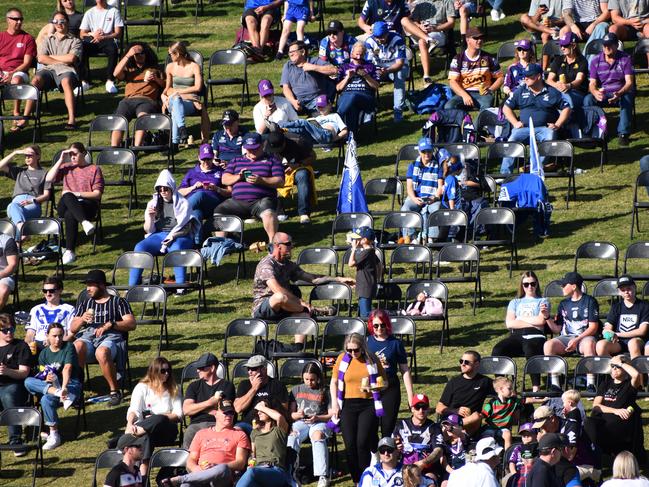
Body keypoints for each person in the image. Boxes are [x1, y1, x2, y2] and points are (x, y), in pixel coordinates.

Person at [251, 231, 355, 321]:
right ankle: (315, 310)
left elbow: (313, 278)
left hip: (286, 307)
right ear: (277, 246)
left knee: (304, 316)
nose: (292, 246)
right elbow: (277, 290)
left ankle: (299, 344)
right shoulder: (266, 265)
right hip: (264, 307)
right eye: (288, 244)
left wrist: (339, 279)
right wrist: (301, 302)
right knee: (279, 296)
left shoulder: (288, 265)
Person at [70, 269, 136, 407]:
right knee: (77, 346)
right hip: (89, 336)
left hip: (111, 337)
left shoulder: (118, 302)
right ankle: (77, 390)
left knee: (102, 352)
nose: (87, 289)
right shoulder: (85, 303)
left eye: (91, 285)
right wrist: (82, 319)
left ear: (101, 285)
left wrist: (112, 324)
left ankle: (114, 391)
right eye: (86, 285)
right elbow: (73, 328)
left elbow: (131, 324)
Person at [330, 333, 388, 484]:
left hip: (367, 404)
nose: (353, 353)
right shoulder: (342, 359)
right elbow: (334, 382)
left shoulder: (372, 359)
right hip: (347, 404)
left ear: (362, 347)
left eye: (355, 350)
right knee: (350, 445)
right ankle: (357, 480)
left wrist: (373, 387)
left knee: (362, 442)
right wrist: (335, 403)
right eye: (349, 350)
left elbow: (385, 383)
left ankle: (364, 479)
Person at [129, 169, 199, 287]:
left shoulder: (183, 203)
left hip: (180, 235)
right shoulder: (153, 203)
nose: (163, 192)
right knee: (139, 247)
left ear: (171, 188)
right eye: (159, 189)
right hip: (159, 234)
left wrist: (171, 236)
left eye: (166, 189)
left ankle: (180, 287)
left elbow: (185, 227)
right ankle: (131, 287)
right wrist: (151, 218)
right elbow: (148, 230)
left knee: (176, 248)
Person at [500, 64, 571, 174]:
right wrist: (515, 122)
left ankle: (537, 168)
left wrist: (557, 124)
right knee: (513, 138)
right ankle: (504, 174)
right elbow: (506, 107)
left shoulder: (552, 92)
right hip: (524, 128)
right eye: (524, 76)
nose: (525, 78)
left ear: (538, 76)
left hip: (544, 128)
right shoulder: (520, 91)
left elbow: (566, 108)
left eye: (528, 76)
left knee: (550, 135)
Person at [214, 132, 284, 243]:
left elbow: (280, 181)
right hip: (237, 201)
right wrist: (238, 177)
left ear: (262, 145)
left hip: (261, 200)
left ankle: (272, 242)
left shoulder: (272, 160)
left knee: (268, 212)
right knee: (220, 210)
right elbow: (224, 179)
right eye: (249, 149)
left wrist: (261, 180)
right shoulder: (236, 161)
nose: (251, 152)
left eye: (255, 148)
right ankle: (220, 243)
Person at [162, 398, 250, 487]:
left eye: (231, 413)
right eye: (225, 412)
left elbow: (240, 463)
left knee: (223, 468)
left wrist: (216, 466)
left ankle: (180, 479)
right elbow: (191, 459)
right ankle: (183, 480)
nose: (229, 415)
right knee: (186, 486)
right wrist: (196, 469)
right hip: (201, 474)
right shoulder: (201, 434)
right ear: (215, 413)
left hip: (222, 477)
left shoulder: (240, 435)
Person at [24, 322, 82, 450]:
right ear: (47, 336)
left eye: (60, 335)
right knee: (28, 381)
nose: (58, 339)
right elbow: (44, 373)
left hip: (71, 385)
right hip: (54, 388)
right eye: (54, 336)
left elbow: (67, 368)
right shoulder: (44, 354)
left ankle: (54, 435)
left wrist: (65, 387)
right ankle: (58, 393)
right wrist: (46, 378)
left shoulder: (68, 347)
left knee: (45, 399)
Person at [45, 142, 104, 265]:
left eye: (75, 154)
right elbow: (49, 179)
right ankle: (84, 223)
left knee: (70, 213)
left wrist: (76, 194)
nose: (73, 157)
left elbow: (97, 194)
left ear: (83, 153)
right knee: (67, 195)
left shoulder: (94, 169)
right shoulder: (66, 167)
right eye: (70, 155)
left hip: (87, 205)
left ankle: (70, 251)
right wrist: (61, 160)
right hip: (65, 203)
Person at [23, 11, 81, 131]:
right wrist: (62, 59)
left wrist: (52, 58)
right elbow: (41, 58)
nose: (59, 24)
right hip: (48, 70)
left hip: (67, 70)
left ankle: (71, 118)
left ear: (67, 22)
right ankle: (26, 117)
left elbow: (71, 58)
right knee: (35, 81)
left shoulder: (75, 41)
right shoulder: (47, 40)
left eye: (62, 21)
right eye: (55, 22)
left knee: (66, 81)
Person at [124, 356, 182, 477]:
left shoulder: (174, 388)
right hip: (146, 434)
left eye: (168, 371)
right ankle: (143, 475)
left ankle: (125, 438)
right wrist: (130, 423)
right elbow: (135, 410)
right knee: (147, 436)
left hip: (166, 430)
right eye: (163, 371)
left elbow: (178, 414)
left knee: (158, 419)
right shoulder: (142, 388)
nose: (166, 374)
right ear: (154, 371)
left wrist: (158, 418)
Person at [492, 271, 550, 390]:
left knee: (530, 349)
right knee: (498, 350)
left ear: (537, 284)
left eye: (533, 284)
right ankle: (501, 386)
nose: (530, 287)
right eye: (526, 284)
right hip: (516, 336)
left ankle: (536, 387)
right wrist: (530, 321)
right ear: (522, 286)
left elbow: (541, 321)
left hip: (536, 335)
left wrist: (520, 318)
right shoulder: (515, 302)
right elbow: (509, 323)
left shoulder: (543, 301)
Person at [544, 271, 599, 391]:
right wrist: (547, 317)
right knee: (548, 345)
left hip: (584, 337)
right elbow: (557, 329)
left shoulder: (590, 301)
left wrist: (577, 339)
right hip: (567, 338)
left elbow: (593, 327)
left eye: (564, 285)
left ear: (574, 286)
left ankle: (591, 383)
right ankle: (555, 384)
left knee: (589, 344)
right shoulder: (563, 304)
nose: (562, 287)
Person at [583, 354, 644, 458]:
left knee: (612, 423)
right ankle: (591, 457)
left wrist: (620, 363)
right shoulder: (605, 384)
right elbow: (596, 406)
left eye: (617, 367)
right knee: (588, 422)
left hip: (620, 424)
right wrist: (615, 411)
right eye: (612, 366)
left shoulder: (630, 384)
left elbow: (636, 375)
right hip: (603, 420)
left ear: (625, 368)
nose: (614, 368)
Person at [367, 309, 414, 436]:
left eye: (382, 325)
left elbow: (404, 370)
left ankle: (386, 452)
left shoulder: (396, 343)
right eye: (376, 325)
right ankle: (374, 454)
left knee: (388, 425)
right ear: (371, 325)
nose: (379, 328)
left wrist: (410, 397)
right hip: (372, 385)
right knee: (370, 425)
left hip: (390, 385)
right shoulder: (367, 342)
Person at [584, 32, 634, 146]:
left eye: (610, 44)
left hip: (620, 92)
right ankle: (595, 130)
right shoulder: (595, 60)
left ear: (616, 45)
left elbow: (629, 83)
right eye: (604, 44)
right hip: (604, 93)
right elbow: (592, 83)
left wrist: (619, 93)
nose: (606, 47)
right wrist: (595, 92)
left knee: (627, 97)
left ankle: (623, 134)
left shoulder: (625, 58)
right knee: (588, 99)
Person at [286, 362, 332, 487]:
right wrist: (297, 415)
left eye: (312, 380)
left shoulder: (325, 390)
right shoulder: (296, 390)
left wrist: (318, 417)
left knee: (317, 436)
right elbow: (291, 415)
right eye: (306, 379)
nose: (309, 382)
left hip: (320, 421)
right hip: (301, 421)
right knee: (292, 436)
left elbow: (331, 414)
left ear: (318, 377)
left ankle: (322, 475)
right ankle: (291, 472)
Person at [111, 42, 164, 147]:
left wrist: (156, 79)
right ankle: (114, 148)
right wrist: (128, 55)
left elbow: (165, 85)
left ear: (147, 54)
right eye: (137, 54)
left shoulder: (155, 69)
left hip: (147, 100)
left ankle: (136, 148)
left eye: (142, 53)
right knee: (119, 119)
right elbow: (115, 74)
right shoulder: (129, 69)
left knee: (142, 118)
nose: (140, 55)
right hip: (128, 100)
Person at [182, 352, 235, 449]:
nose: (198, 370)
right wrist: (210, 403)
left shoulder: (227, 386)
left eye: (201, 368)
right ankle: (187, 463)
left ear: (212, 368)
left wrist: (197, 408)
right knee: (190, 432)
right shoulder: (194, 386)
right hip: (196, 425)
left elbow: (224, 411)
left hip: (217, 424)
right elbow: (186, 410)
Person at [163, 41, 210, 148]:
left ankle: (174, 143)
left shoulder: (194, 67)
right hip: (174, 99)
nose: (169, 56)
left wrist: (178, 92)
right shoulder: (170, 67)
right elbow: (168, 88)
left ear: (177, 54)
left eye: (170, 54)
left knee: (176, 106)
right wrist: (168, 95)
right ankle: (182, 128)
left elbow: (197, 87)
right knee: (176, 101)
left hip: (189, 101)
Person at [435, 350, 494, 436]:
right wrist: (455, 411)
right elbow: (439, 408)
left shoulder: (484, 382)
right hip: (452, 419)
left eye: (466, 362)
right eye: (461, 361)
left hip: (470, 423)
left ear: (477, 364)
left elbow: (502, 390)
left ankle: (455, 431)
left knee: (476, 417)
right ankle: (455, 430)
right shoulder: (454, 382)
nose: (462, 364)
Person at [400, 137, 446, 244]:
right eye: (424, 151)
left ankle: (431, 237)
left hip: (432, 197)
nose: (427, 154)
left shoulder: (438, 166)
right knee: (405, 208)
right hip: (416, 196)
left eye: (429, 151)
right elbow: (409, 188)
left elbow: (440, 187)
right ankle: (411, 237)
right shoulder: (412, 166)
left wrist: (434, 198)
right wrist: (414, 199)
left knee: (436, 208)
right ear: (420, 152)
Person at [444, 27, 503, 111]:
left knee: (487, 106)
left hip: (483, 94)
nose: (479, 40)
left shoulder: (489, 58)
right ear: (467, 40)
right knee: (449, 107)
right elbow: (452, 82)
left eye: (481, 38)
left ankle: (479, 124)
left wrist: (490, 90)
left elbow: (500, 78)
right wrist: (464, 95)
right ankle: (463, 122)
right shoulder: (458, 59)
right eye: (476, 38)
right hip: (464, 92)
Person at [236, 400, 292, 487]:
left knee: (252, 472)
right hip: (258, 469)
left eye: (262, 410)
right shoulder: (255, 432)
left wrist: (261, 407)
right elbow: (253, 454)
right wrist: (251, 461)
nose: (259, 412)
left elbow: (279, 417)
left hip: (276, 470)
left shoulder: (279, 430)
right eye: (258, 410)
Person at [0, 145, 51, 238]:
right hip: (16, 203)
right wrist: (14, 152)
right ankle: (23, 230)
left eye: (30, 155)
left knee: (13, 210)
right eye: (25, 155)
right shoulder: (20, 172)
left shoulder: (44, 173)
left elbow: (47, 195)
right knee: (13, 206)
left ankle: (18, 239)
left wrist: (32, 201)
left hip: (32, 204)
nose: (27, 157)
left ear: (38, 156)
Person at [400, 0, 456, 85]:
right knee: (406, 24)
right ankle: (429, 41)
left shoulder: (447, 2)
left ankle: (426, 75)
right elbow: (414, 20)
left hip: (437, 32)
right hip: (420, 31)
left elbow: (451, 23)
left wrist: (435, 28)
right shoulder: (420, 2)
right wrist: (420, 26)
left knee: (422, 41)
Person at [266, 131, 316, 224]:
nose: (276, 151)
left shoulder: (298, 141)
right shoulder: (267, 144)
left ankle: (304, 213)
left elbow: (313, 156)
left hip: (297, 168)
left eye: (278, 149)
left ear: (284, 142)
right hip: (276, 171)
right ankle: (277, 210)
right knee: (266, 176)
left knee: (302, 175)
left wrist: (298, 164)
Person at [393, 393, 444, 481]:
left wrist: (423, 463)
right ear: (412, 409)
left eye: (424, 407)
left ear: (428, 409)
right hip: (403, 468)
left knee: (430, 482)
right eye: (417, 407)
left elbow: (439, 450)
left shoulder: (434, 427)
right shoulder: (400, 425)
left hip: (427, 469)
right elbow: (390, 447)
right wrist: (396, 448)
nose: (421, 410)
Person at [595, 274, 649, 359]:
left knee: (633, 343)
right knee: (600, 345)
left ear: (635, 287)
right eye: (623, 290)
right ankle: (617, 369)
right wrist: (608, 333)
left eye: (629, 289)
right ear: (619, 292)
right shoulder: (616, 307)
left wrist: (618, 334)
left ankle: (638, 371)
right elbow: (607, 327)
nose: (626, 292)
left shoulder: (644, 306)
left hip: (638, 340)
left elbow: (642, 331)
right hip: (619, 341)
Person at [365, 21, 409, 121]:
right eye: (377, 37)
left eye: (382, 36)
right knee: (366, 76)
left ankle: (398, 112)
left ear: (387, 33)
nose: (380, 40)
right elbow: (368, 63)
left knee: (399, 75)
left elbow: (400, 63)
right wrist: (375, 70)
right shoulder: (369, 42)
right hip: (378, 69)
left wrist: (387, 70)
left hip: (396, 68)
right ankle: (369, 112)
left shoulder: (398, 39)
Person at [233, 355, 289, 434]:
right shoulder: (244, 385)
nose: (250, 372)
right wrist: (254, 388)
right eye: (248, 369)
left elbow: (283, 412)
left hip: (270, 426)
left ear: (263, 369)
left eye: (253, 369)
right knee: (236, 430)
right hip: (248, 425)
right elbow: (238, 408)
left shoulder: (277, 385)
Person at [0, 8, 36, 128]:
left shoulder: (28, 39)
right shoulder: (1, 37)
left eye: (21, 19)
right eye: (16, 19)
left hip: (20, 71)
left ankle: (16, 112)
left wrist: (11, 73)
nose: (19, 22)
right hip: (2, 71)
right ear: (8, 20)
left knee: (16, 80)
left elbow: (26, 63)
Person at [335, 41, 380, 135]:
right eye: (357, 54)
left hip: (365, 97)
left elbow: (376, 86)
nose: (359, 57)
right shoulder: (344, 67)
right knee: (351, 106)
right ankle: (352, 138)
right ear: (351, 54)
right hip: (346, 97)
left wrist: (366, 76)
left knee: (353, 95)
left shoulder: (370, 66)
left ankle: (336, 118)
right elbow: (338, 88)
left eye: (361, 55)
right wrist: (347, 77)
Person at [178, 144, 230, 224]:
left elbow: (229, 193)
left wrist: (216, 188)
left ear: (213, 157)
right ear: (199, 158)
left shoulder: (220, 171)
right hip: (195, 205)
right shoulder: (191, 172)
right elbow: (179, 192)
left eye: (208, 159)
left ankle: (178, 214)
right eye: (203, 159)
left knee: (200, 194)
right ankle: (200, 236)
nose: (206, 162)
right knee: (196, 215)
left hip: (213, 203)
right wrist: (193, 187)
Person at [281, 40, 337, 115]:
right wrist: (293, 101)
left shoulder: (314, 61)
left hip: (316, 101)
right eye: (289, 52)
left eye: (293, 51)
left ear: (303, 52)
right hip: (297, 101)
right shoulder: (288, 66)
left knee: (321, 119)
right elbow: (286, 88)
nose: (290, 54)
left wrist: (314, 67)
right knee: (281, 110)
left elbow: (333, 70)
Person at [0, 313, 30, 450]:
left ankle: (15, 439)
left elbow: (24, 372)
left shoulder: (21, 346)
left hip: (15, 384)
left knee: (8, 396)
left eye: (11, 329)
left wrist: (7, 372)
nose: (9, 333)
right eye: (5, 330)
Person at [79, 0, 122, 93]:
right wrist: (93, 34)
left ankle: (110, 80)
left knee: (113, 49)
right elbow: (82, 34)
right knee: (81, 47)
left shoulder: (114, 11)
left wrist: (103, 37)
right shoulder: (89, 12)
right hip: (92, 39)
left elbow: (118, 33)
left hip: (107, 39)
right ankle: (84, 81)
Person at [276, 94, 348, 145]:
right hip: (314, 138)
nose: (320, 109)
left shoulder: (334, 116)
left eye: (322, 106)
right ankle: (280, 130)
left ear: (329, 104)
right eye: (318, 107)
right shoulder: (317, 118)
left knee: (303, 122)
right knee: (300, 130)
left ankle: (279, 124)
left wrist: (335, 139)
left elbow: (345, 131)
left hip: (326, 135)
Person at [26, 276, 75, 349]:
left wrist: (53, 343)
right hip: (38, 345)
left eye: (51, 291)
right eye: (45, 291)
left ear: (60, 290)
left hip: (59, 346)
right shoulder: (35, 309)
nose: (48, 294)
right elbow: (30, 333)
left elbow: (71, 335)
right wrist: (29, 344)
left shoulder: (69, 309)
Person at [546, 32, 590, 109]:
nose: (562, 48)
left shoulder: (582, 61)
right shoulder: (558, 60)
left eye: (565, 45)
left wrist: (568, 86)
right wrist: (558, 86)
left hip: (578, 92)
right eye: (561, 45)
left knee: (564, 98)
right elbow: (549, 80)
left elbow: (579, 79)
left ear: (573, 45)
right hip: (560, 91)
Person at [348, 228, 382, 317]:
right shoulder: (371, 251)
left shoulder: (366, 252)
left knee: (365, 314)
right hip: (367, 285)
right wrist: (376, 279)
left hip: (365, 287)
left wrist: (353, 249)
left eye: (357, 239)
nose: (355, 241)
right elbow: (379, 265)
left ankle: (384, 316)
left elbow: (351, 263)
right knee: (364, 312)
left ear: (364, 240)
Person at [480, 376, 521, 449]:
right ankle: (486, 456)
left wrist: (542, 399)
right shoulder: (492, 403)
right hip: (490, 427)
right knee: (487, 436)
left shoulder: (513, 401)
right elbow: (483, 415)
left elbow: (526, 400)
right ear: (501, 389)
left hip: (503, 428)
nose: (512, 391)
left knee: (507, 434)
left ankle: (507, 455)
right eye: (509, 389)